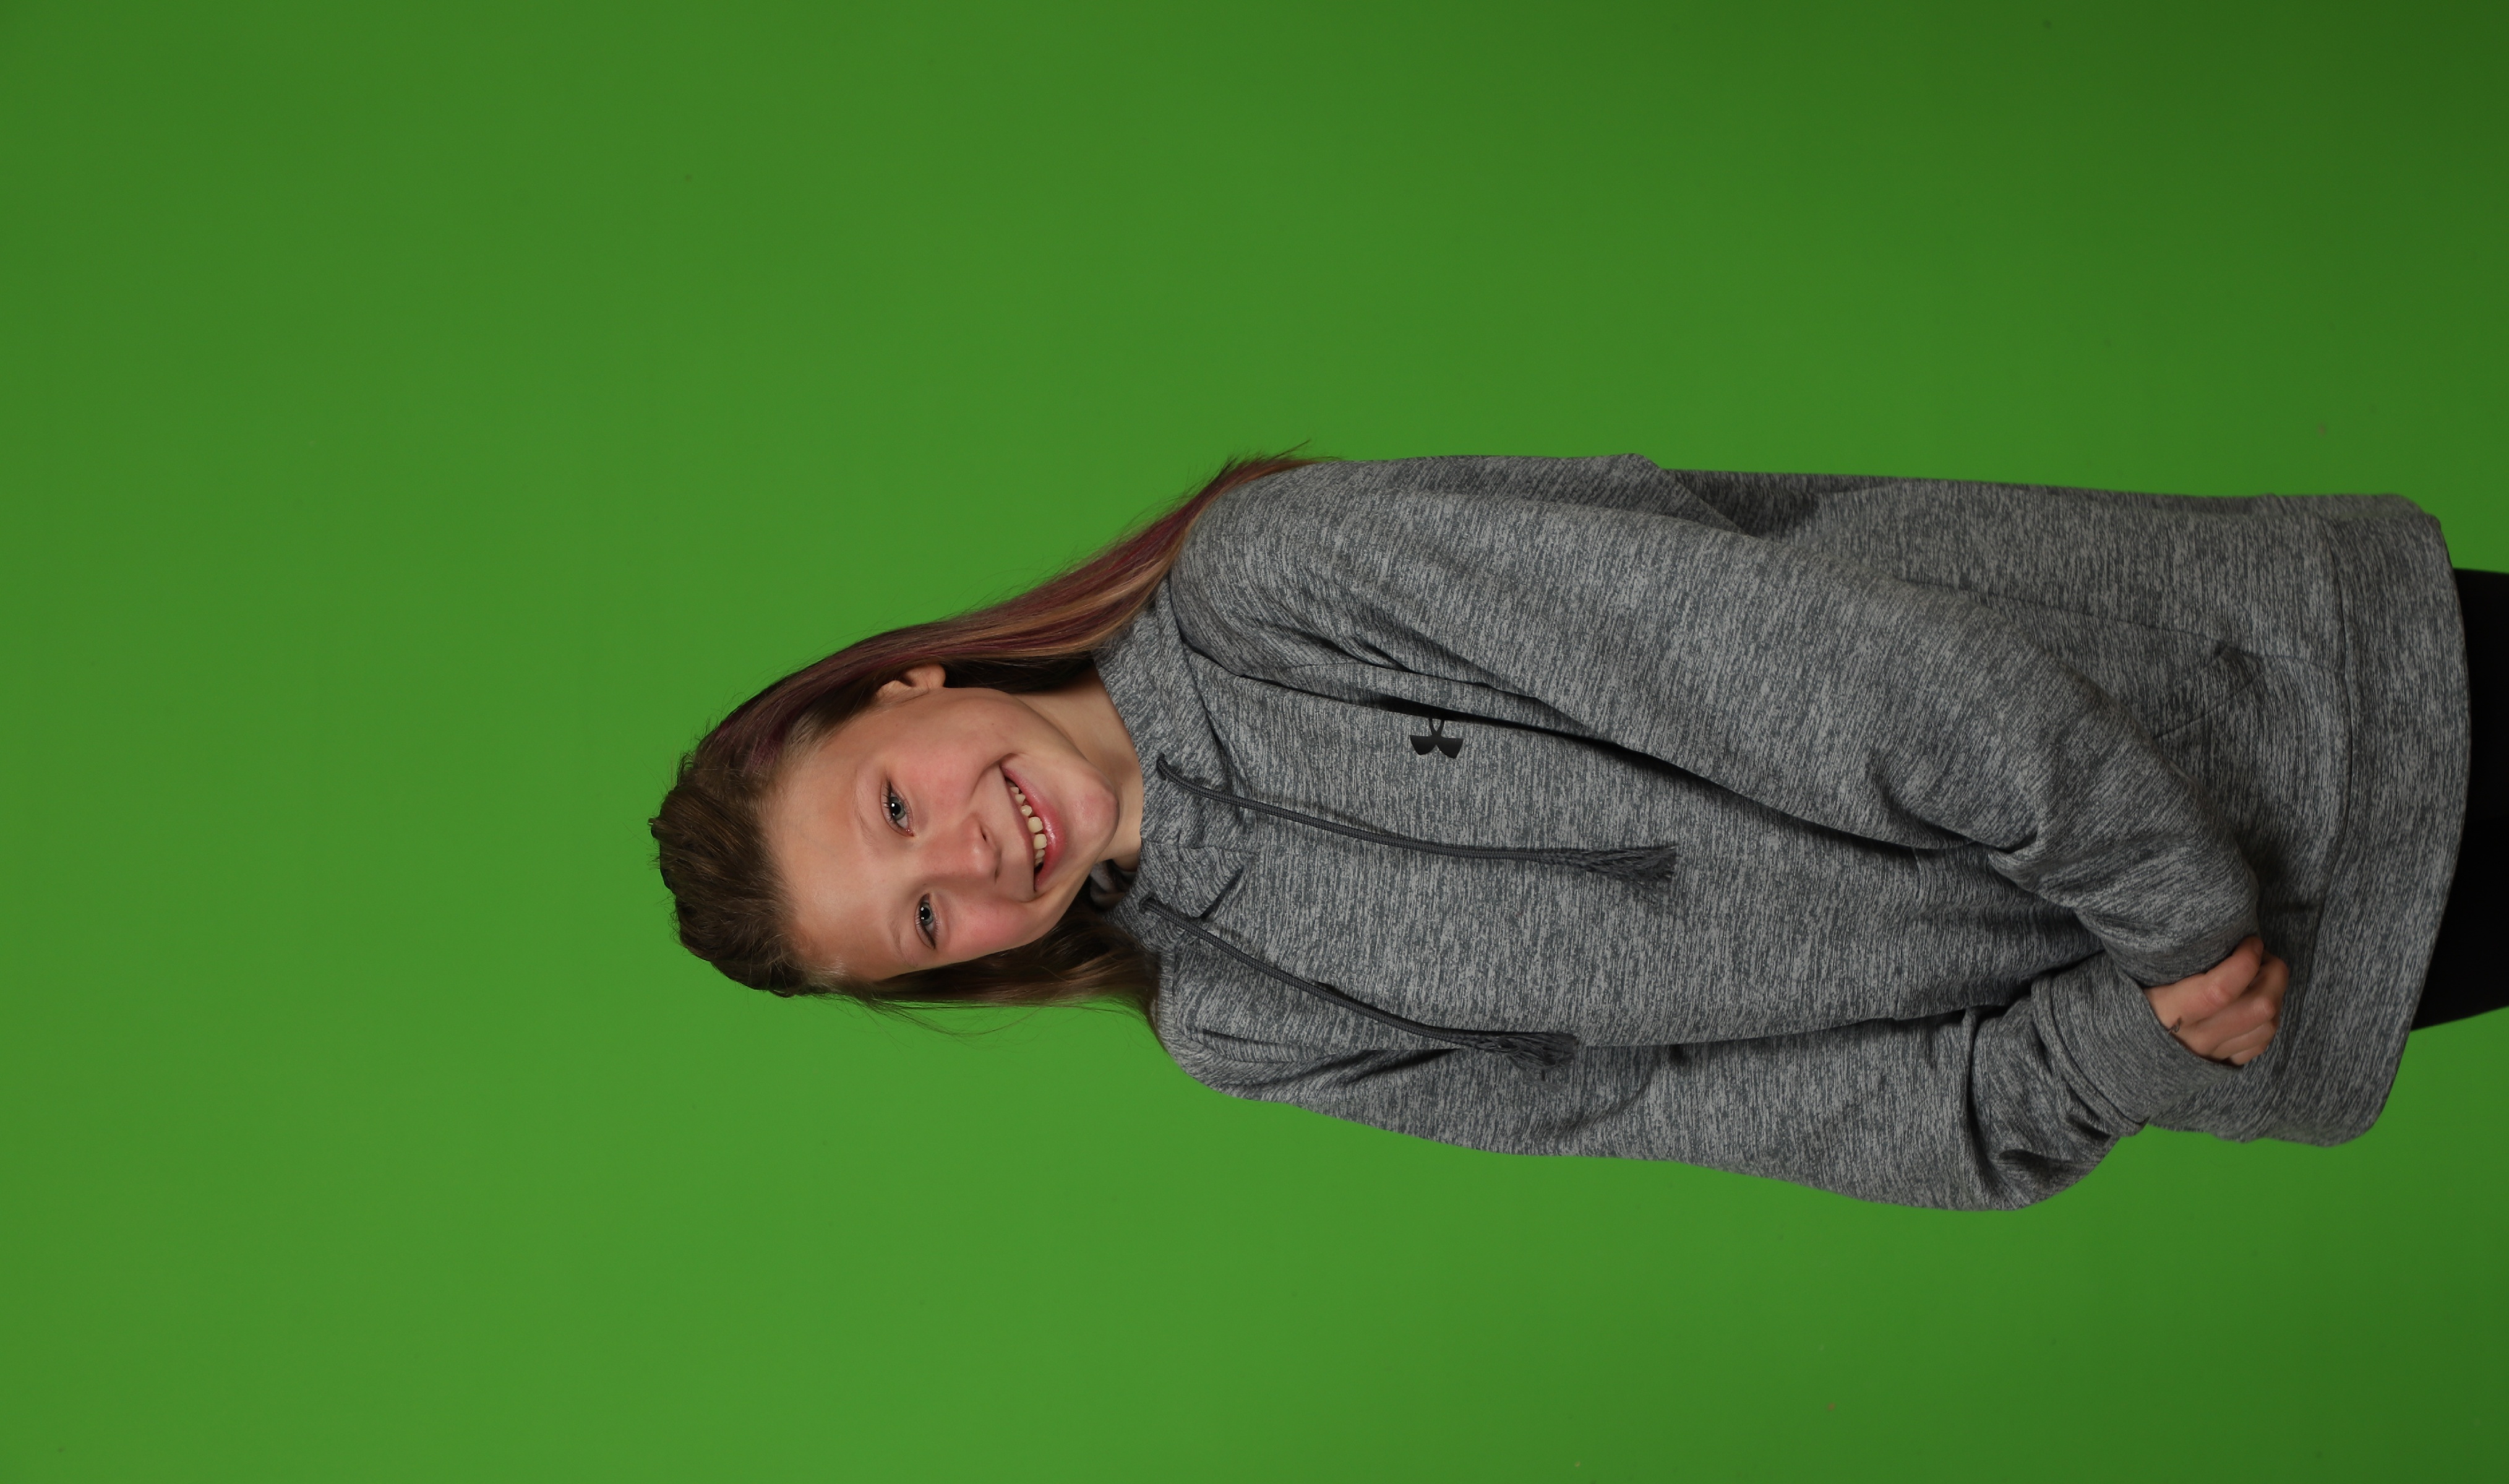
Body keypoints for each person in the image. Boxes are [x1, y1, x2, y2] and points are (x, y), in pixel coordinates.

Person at [653, 454, 2497, 1209]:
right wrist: (2115, 1047)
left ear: (909, 686)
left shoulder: (1276, 585)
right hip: (2254, 990)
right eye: (919, 919)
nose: (968, 859)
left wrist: (2162, 908)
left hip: (2301, 694)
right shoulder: (1247, 1023)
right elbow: (1723, 1113)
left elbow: (1818, 669)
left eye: (892, 807)